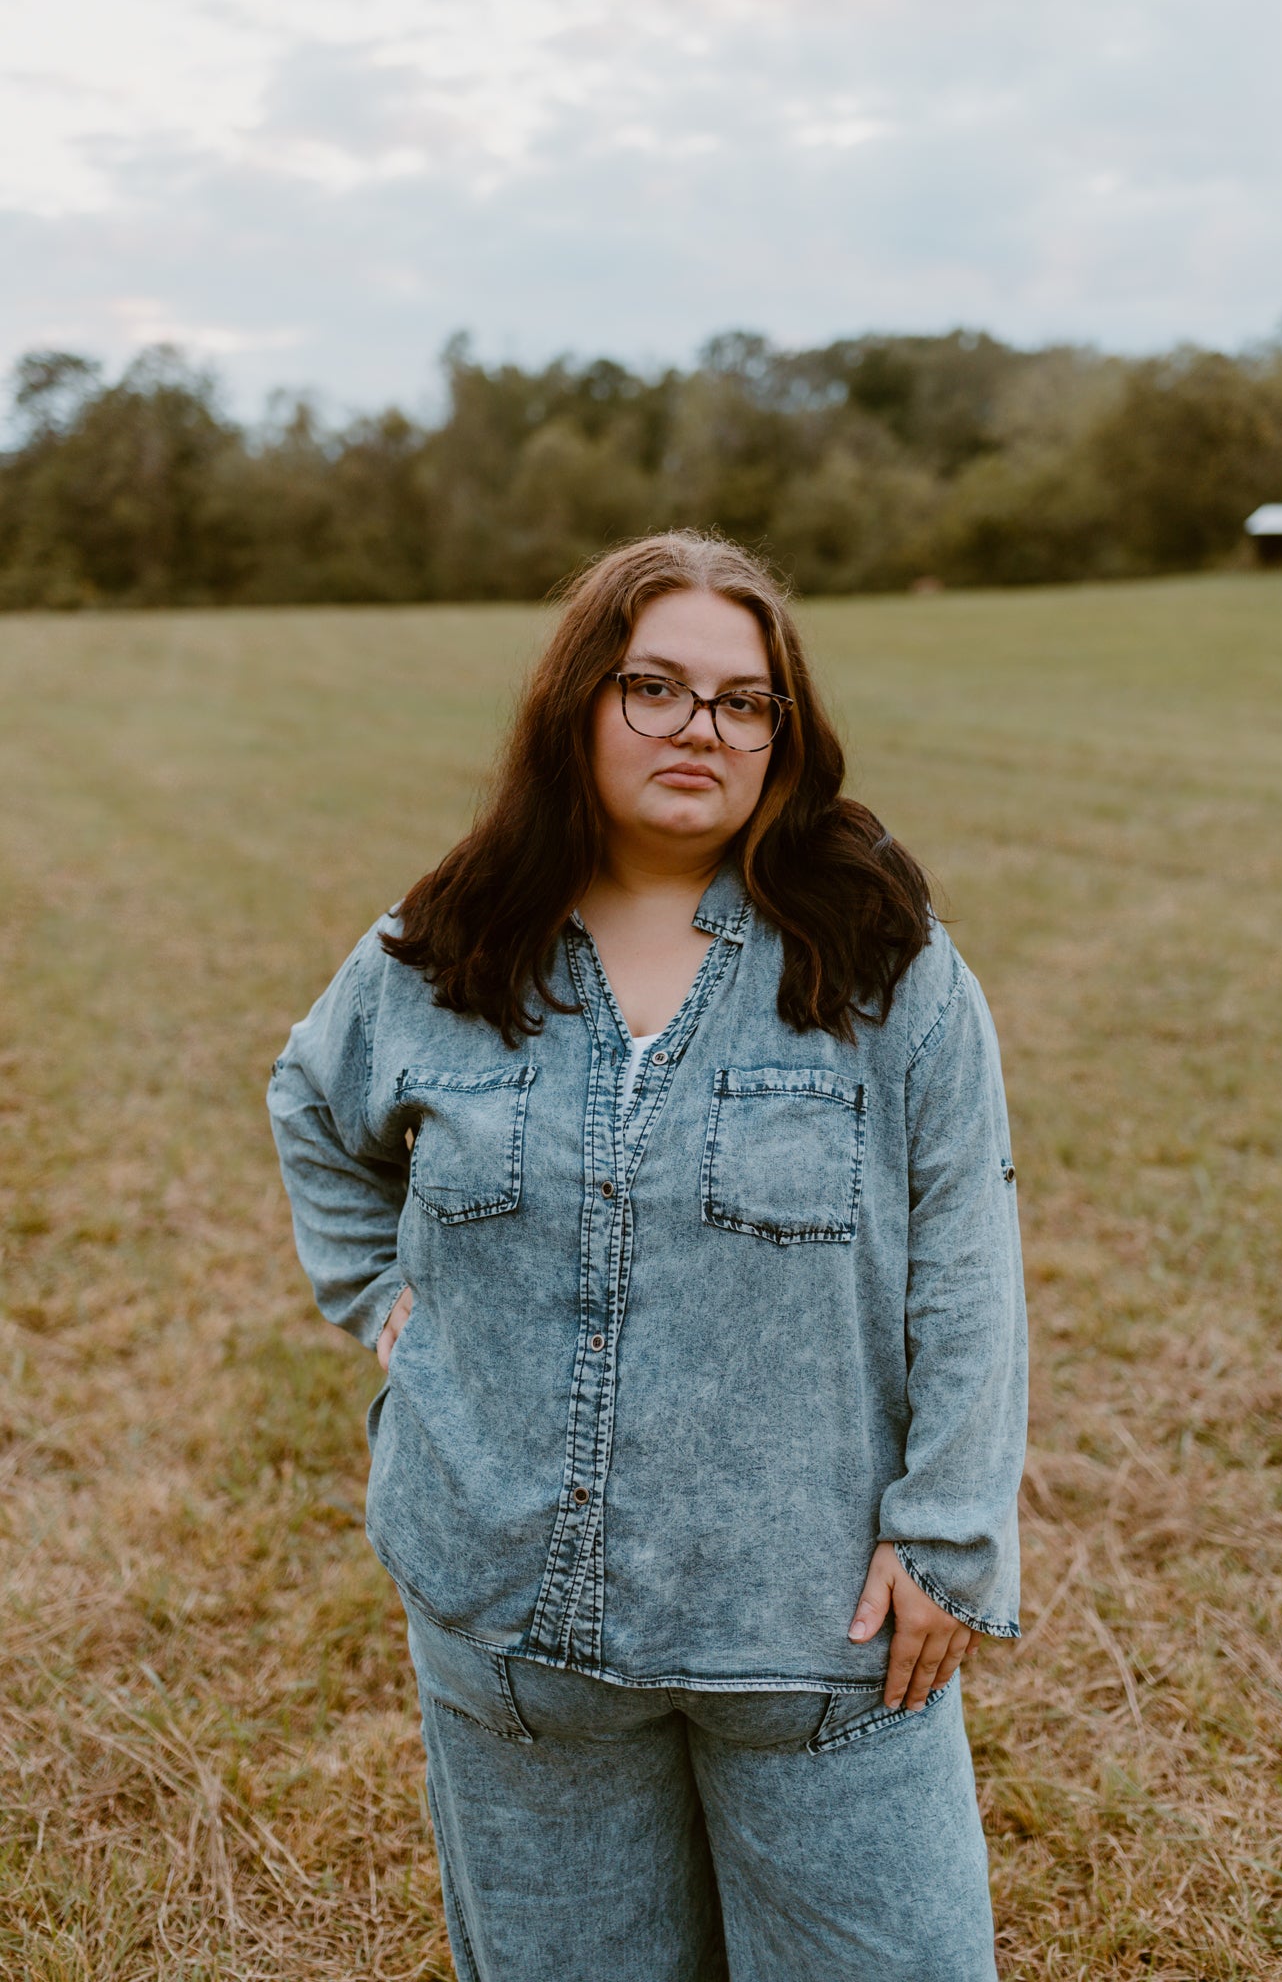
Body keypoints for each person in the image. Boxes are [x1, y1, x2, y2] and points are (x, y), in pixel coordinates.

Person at [266, 530, 1028, 1982]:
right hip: (515, 1635)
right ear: (578, 708)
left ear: (784, 735)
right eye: (656, 688)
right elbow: (313, 1104)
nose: (703, 728)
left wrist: (946, 1536)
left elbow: (969, 1256)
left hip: (815, 1635)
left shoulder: (884, 968)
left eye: (745, 701)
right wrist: (383, 1304)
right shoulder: (445, 950)